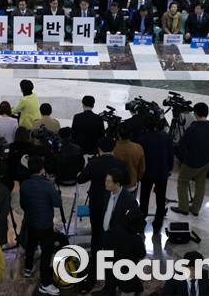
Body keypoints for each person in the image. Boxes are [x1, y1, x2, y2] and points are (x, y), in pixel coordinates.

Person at [76, 137, 129, 293]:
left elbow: (80, 178)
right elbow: (128, 180)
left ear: (99, 149)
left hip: (97, 204)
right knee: (114, 231)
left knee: (97, 233)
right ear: (113, 148)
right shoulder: (120, 164)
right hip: (115, 204)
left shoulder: (94, 163)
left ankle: (96, 261)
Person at [20, 155, 62, 296]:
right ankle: (45, 283)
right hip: (44, 224)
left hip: (30, 222)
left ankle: (28, 268)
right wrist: (52, 186)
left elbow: (23, 205)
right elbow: (57, 203)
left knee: (31, 245)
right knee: (46, 252)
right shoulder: (48, 186)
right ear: (42, 169)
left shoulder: (24, 184)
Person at [172, 102, 209, 217]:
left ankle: (183, 207)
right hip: (206, 162)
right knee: (200, 184)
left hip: (192, 162)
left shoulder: (192, 129)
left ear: (195, 114)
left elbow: (182, 145)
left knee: (182, 181)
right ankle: (195, 209)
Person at [100, 168, 140, 295]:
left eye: (109, 181)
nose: (106, 183)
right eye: (105, 180)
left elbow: (135, 224)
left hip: (120, 242)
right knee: (107, 267)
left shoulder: (129, 201)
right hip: (106, 236)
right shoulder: (107, 192)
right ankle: (109, 289)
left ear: (117, 184)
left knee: (120, 269)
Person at [136, 116, 174, 232]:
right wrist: (169, 168)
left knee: (144, 198)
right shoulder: (166, 137)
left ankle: (141, 221)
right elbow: (170, 155)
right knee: (161, 199)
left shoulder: (141, 139)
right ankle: (158, 223)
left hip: (147, 173)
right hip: (162, 172)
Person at [112, 122, 146, 193]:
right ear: (131, 134)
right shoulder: (138, 148)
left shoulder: (113, 148)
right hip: (131, 183)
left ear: (118, 134)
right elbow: (142, 168)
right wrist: (136, 179)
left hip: (114, 183)